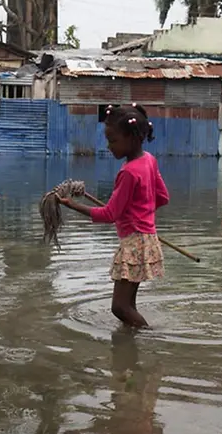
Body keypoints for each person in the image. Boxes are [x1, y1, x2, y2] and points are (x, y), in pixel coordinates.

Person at [59, 103, 169, 328]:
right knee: (129, 305)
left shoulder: (128, 172)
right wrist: (142, 213)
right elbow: (163, 197)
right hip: (147, 238)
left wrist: (72, 205)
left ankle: (150, 336)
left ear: (133, 138)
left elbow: (109, 214)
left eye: (113, 140)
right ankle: (129, 345)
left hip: (134, 243)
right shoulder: (149, 159)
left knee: (119, 307)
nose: (108, 147)